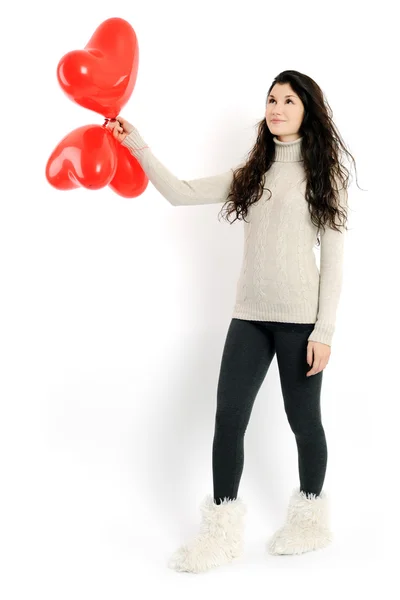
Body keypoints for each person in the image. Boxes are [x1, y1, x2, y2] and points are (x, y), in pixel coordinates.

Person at [107, 69, 355, 573]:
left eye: (288, 99)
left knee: (303, 422)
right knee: (228, 418)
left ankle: (310, 520)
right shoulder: (254, 171)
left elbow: (334, 259)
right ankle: (221, 532)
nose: (277, 107)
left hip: (300, 323)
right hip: (249, 316)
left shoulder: (325, 176)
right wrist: (135, 143)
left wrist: (323, 332)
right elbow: (180, 192)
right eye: (271, 99)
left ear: (308, 109)